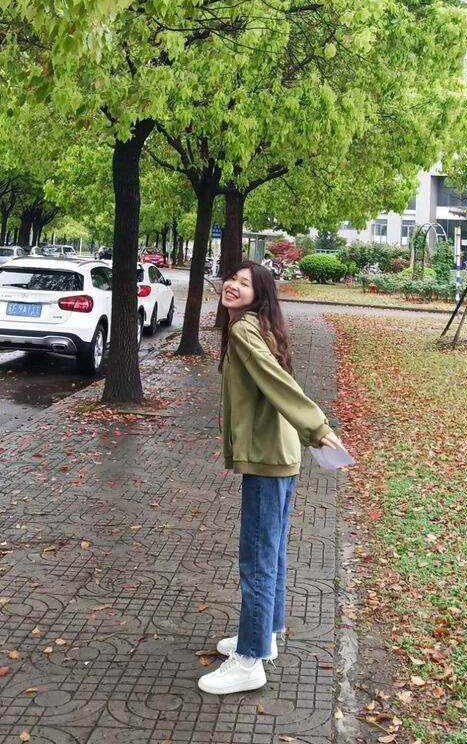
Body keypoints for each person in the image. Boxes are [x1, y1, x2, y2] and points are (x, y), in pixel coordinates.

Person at [198, 260, 342, 696]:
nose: (233, 286)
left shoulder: (245, 330)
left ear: (258, 295)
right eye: (232, 279)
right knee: (271, 552)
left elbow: (277, 382)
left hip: (268, 456)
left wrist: (317, 426)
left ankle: (249, 661)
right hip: (280, 453)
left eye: (245, 283)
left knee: (257, 558)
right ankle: (265, 635)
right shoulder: (257, 326)